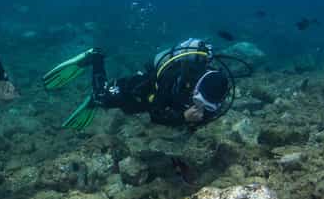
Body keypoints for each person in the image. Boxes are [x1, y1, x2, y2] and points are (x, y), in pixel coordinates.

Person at [43, 38, 244, 130]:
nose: (201, 107)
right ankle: (96, 57)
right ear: (195, 87)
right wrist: (183, 117)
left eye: (207, 106)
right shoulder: (173, 78)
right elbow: (156, 115)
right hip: (141, 89)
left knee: (129, 110)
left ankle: (97, 98)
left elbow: (204, 117)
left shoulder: (216, 96)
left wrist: (195, 118)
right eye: (198, 101)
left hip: (151, 101)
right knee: (103, 97)